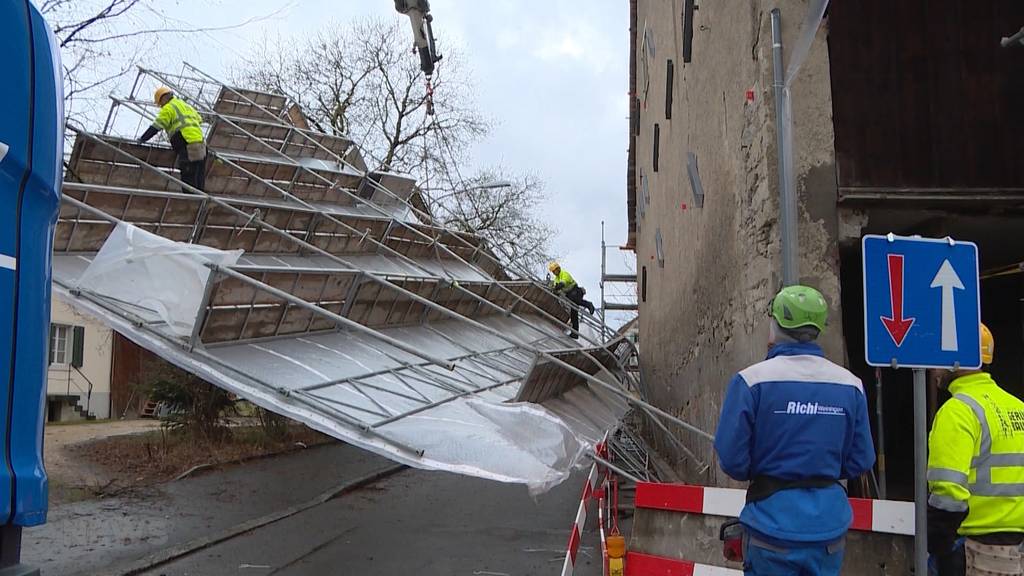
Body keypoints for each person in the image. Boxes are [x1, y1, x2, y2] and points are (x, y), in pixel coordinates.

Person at [714, 285, 875, 576]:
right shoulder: (850, 385)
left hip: (770, 528)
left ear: (775, 325)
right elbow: (860, 461)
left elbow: (731, 460)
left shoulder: (750, 382)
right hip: (828, 530)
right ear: (818, 329)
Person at [927, 323, 1024, 576]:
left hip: (973, 549)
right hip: (1016, 550)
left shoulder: (957, 411)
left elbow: (948, 492)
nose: (933, 369)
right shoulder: (1017, 406)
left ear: (955, 361)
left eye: (938, 358)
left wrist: (939, 546)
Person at [137, 86, 207, 192]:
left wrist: (143, 139)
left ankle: (190, 202)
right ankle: (199, 202)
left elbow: (157, 126)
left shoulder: (168, 108)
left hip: (187, 144)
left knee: (188, 177)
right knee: (199, 176)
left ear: (163, 98)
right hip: (201, 145)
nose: (161, 106)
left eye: (160, 104)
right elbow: (199, 119)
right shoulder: (186, 105)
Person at [547, 261, 595, 338]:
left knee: (575, 300)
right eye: (553, 271)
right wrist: (554, 290)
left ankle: (589, 304)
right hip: (570, 295)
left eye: (555, 270)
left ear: (558, 268)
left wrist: (556, 287)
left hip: (576, 291)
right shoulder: (556, 279)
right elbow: (557, 288)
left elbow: (563, 284)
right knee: (573, 314)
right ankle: (575, 333)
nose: (554, 273)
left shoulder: (564, 274)